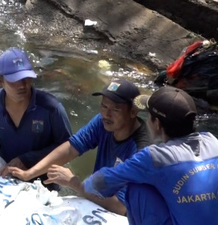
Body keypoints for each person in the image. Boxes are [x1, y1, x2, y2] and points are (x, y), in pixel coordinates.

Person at [6, 79, 151, 215]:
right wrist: (30, 173)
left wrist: (75, 184)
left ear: (133, 112)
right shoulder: (103, 123)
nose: (106, 114)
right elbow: (71, 147)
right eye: (104, 106)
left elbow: (121, 207)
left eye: (116, 110)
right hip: (98, 199)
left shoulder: (141, 151)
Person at [82, 86, 218, 225]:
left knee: (137, 186)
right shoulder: (213, 141)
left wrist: (80, 184)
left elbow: (99, 184)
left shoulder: (155, 157)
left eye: (149, 116)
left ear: (157, 124)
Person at [0, 48, 73, 184]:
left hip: (43, 183)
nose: (22, 85)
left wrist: (27, 159)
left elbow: (69, 148)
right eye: (14, 80)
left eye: (26, 78)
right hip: (5, 177)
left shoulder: (51, 108)